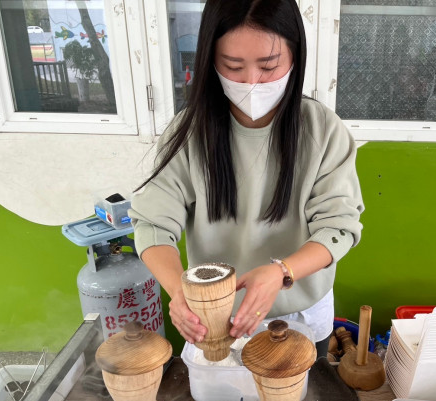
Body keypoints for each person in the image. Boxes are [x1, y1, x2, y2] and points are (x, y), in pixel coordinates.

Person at [129, 0, 363, 358]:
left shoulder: (323, 130)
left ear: (295, 57)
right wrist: (179, 291)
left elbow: (338, 227)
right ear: (210, 60)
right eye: (233, 66)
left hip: (300, 312)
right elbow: (152, 224)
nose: (251, 82)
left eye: (268, 66)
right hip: (213, 315)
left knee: (296, 392)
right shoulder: (189, 133)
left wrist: (282, 272)